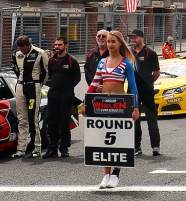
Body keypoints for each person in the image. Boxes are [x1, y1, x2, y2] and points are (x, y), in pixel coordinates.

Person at [82, 30, 141, 188]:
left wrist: (135, 108)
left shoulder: (126, 63)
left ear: (119, 43)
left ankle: (116, 173)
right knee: (104, 140)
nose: (110, 44)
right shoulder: (102, 63)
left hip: (120, 105)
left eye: (113, 41)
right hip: (102, 105)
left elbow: (133, 87)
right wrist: (84, 102)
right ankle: (106, 175)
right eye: (108, 41)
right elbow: (93, 84)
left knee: (119, 140)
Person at [10, 36, 48, 158]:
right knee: (21, 118)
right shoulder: (16, 54)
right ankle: (21, 148)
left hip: (34, 86)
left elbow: (46, 72)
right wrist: (21, 81)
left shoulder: (40, 53)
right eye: (20, 49)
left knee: (33, 118)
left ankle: (37, 148)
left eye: (24, 49)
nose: (22, 51)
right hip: (21, 86)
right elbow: (15, 69)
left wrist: (38, 84)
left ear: (28, 45)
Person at [43, 37, 81, 158]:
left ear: (66, 46)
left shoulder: (71, 60)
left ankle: (64, 148)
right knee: (52, 122)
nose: (57, 47)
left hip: (66, 96)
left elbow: (77, 77)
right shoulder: (52, 60)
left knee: (64, 123)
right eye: (55, 44)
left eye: (59, 44)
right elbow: (50, 75)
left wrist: (67, 88)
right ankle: (52, 148)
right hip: (53, 95)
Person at [129, 29, 161, 156]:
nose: (133, 40)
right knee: (134, 119)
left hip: (146, 91)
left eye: (135, 37)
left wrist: (148, 83)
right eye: (131, 38)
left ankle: (155, 146)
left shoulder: (150, 53)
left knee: (151, 119)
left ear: (141, 38)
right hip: (132, 91)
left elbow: (156, 73)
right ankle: (136, 147)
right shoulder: (129, 53)